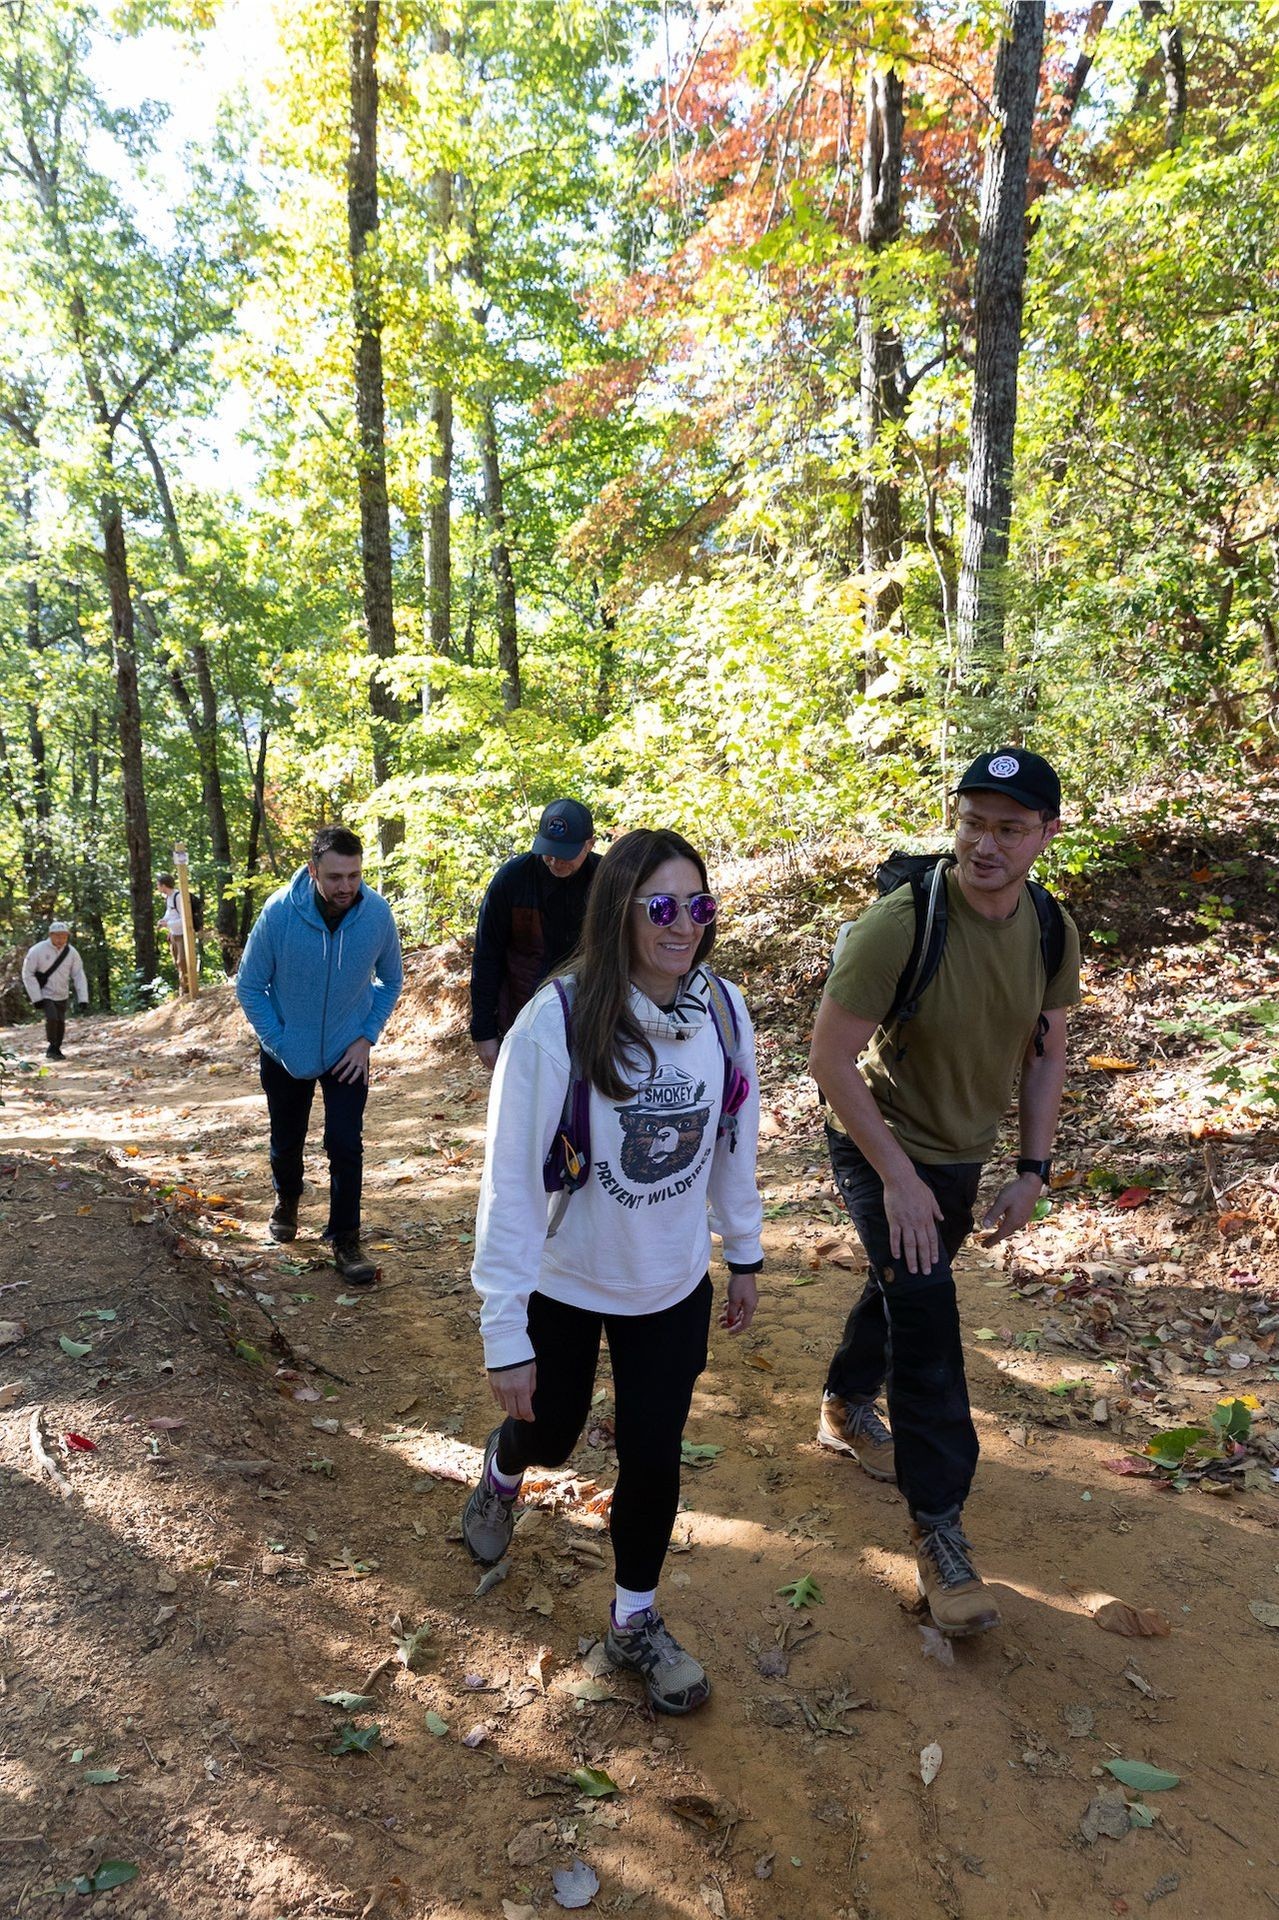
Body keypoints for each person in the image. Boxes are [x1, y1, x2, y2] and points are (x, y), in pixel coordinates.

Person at [463, 828, 764, 1714]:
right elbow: (510, 1181)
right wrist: (503, 1329)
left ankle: (634, 1620)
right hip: (565, 1277)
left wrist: (741, 1252)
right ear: (619, 910)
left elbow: (732, 1141)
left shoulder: (722, 1012)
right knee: (549, 1434)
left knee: (654, 1453)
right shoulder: (555, 1020)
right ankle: (503, 1471)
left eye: (698, 906)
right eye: (661, 907)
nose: (683, 926)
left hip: (669, 1285)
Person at [808, 748, 1080, 1638]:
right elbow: (828, 1060)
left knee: (901, 1289)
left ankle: (845, 1402)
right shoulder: (899, 925)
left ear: (1044, 834)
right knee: (926, 1318)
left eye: (1008, 827)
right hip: (877, 1137)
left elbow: (1047, 1054)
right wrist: (897, 1181)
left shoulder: (1048, 929)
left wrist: (1031, 1169)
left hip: (959, 1155)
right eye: (971, 821)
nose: (984, 843)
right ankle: (940, 1535)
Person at [235, 825, 403, 1286]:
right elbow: (249, 985)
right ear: (313, 871)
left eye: (354, 875)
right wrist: (280, 1041)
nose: (346, 886)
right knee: (286, 1141)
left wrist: (366, 1037)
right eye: (334, 877)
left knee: (345, 1143)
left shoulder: (376, 915)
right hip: (287, 1049)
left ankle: (346, 1237)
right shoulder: (278, 915)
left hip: (348, 1050)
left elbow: (391, 980)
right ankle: (287, 1197)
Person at [469, 798, 600, 1070]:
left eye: (565, 853)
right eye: (548, 851)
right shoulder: (512, 880)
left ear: (590, 844)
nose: (554, 861)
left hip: (591, 1016)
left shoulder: (607, 879)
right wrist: (483, 1031)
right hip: (523, 1017)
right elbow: (486, 956)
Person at [22, 921, 89, 1060]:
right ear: (50, 935)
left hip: (62, 993)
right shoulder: (37, 950)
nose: (60, 939)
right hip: (45, 993)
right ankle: (52, 1046)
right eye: (57, 936)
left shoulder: (71, 952)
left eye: (64, 936)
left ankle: (56, 1047)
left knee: (60, 1022)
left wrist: (83, 998)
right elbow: (27, 973)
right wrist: (36, 998)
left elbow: (78, 975)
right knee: (52, 1018)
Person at [156, 873, 186, 984]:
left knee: (182, 962)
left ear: (164, 885)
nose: (157, 887)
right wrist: (163, 920)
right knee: (176, 962)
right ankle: (183, 988)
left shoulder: (178, 897)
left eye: (158, 885)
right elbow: (170, 913)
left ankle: (187, 989)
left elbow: (185, 919)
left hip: (182, 935)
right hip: (173, 934)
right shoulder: (168, 897)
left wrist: (168, 924)